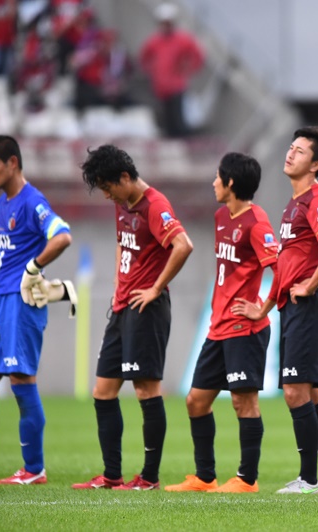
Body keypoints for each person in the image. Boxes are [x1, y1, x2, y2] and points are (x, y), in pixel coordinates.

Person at [232, 126, 318, 495]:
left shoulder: (317, 199)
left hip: (309, 306)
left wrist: (311, 285)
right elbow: (287, 266)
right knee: (309, 394)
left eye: (300, 151)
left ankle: (309, 480)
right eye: (291, 147)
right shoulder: (294, 203)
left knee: (295, 392)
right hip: (294, 306)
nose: (290, 153)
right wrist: (265, 307)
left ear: (316, 164)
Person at [72, 144, 193, 491]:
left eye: (108, 187)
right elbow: (122, 243)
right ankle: (112, 474)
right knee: (103, 390)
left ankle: (149, 477)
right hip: (123, 305)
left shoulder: (155, 205)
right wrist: (118, 283)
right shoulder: (123, 204)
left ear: (125, 176)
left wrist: (155, 288)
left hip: (147, 309)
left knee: (145, 389)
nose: (106, 195)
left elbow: (183, 245)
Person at [0, 135, 72, 485]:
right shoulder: (3, 204)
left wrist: (33, 268)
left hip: (20, 304)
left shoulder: (32, 201)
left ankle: (34, 470)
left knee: (21, 381)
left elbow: (62, 235)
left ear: (13, 163)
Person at [164, 153, 278, 493]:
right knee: (196, 401)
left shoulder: (257, 223)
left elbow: (281, 269)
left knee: (244, 402)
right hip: (218, 327)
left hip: (245, 329)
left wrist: (263, 308)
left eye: (218, 177)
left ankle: (247, 480)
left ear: (230, 182)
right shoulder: (220, 217)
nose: (213, 182)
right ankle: (205, 477)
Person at [139, 2, 204, 138]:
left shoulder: (183, 39)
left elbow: (198, 56)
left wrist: (189, 69)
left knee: (178, 120)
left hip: (176, 85)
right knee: (165, 122)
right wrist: (151, 72)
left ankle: (183, 139)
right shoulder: (154, 41)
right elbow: (144, 58)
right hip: (160, 87)